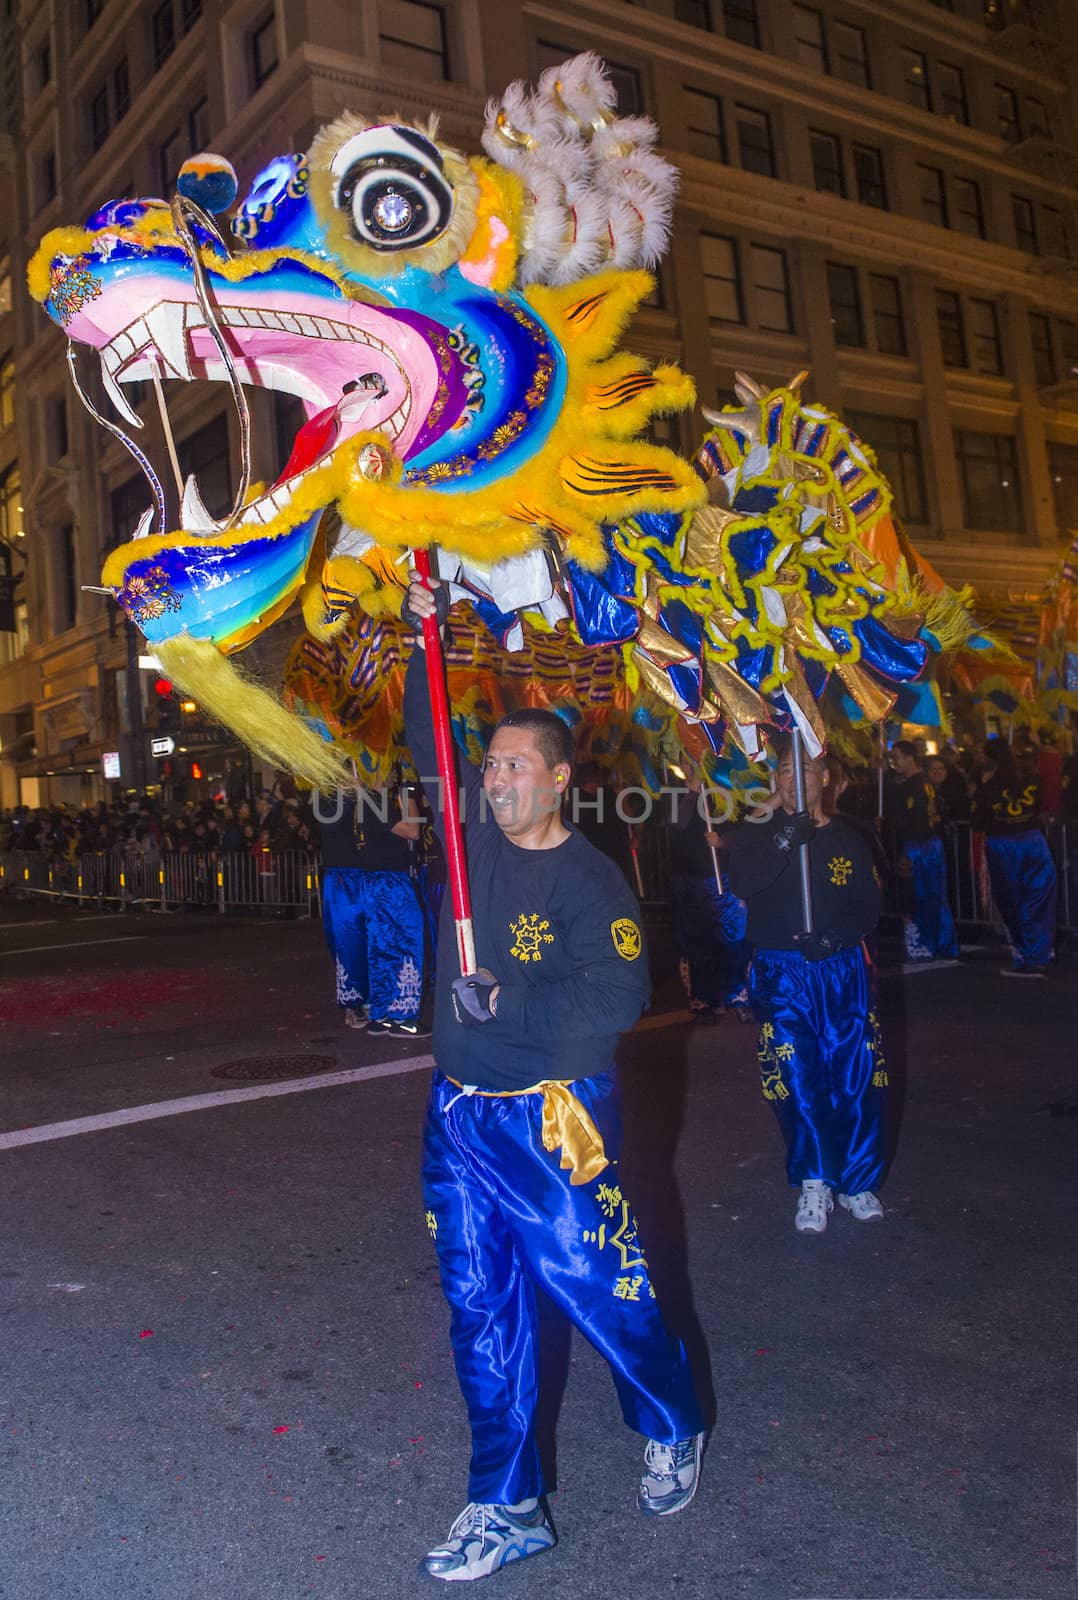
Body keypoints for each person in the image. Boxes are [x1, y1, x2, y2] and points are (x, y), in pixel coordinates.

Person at [402, 572, 704, 1583]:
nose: (494, 781)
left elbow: (613, 998)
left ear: (561, 779)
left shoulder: (590, 880)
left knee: (601, 1292)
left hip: (556, 1120)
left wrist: (513, 1006)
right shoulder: (468, 842)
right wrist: (421, 641)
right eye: (489, 766)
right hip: (460, 1119)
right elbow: (425, 749)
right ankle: (509, 1501)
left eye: (516, 767)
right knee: (482, 1310)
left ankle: (671, 1417)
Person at [724, 743, 887, 1235]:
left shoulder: (850, 838)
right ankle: (815, 1180)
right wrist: (781, 839)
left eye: (807, 771)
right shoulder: (757, 832)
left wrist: (837, 937)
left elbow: (868, 904)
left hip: (839, 971)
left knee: (854, 1072)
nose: (795, 780)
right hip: (780, 974)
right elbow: (743, 883)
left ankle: (857, 1179)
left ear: (827, 780)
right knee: (796, 1076)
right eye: (785, 770)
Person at [319, 784, 429, 1036]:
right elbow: (412, 830)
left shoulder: (374, 800)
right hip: (384, 883)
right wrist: (407, 794)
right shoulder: (371, 800)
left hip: (375, 881)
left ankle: (382, 1014)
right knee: (400, 947)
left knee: (381, 949)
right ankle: (399, 1016)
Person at [663, 778, 751, 1024]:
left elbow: (743, 828)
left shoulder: (723, 783)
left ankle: (738, 996)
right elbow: (675, 824)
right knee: (697, 940)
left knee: (733, 938)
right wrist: (691, 791)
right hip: (687, 879)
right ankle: (706, 998)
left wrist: (723, 842)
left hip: (721, 875)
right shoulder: (672, 787)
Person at [971, 739, 1057, 979]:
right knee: (1040, 898)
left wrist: (980, 789)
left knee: (1012, 901)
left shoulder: (989, 786)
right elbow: (1043, 805)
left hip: (1005, 846)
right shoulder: (1031, 778)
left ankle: (1026, 956)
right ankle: (1041, 953)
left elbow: (978, 821)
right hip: (1034, 842)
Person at [886, 740, 959, 965]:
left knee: (919, 898)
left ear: (909, 757)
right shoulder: (923, 782)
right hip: (931, 845)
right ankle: (943, 943)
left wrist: (889, 822)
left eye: (896, 757)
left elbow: (907, 820)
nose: (893, 762)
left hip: (918, 846)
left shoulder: (913, 785)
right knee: (935, 897)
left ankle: (922, 947)